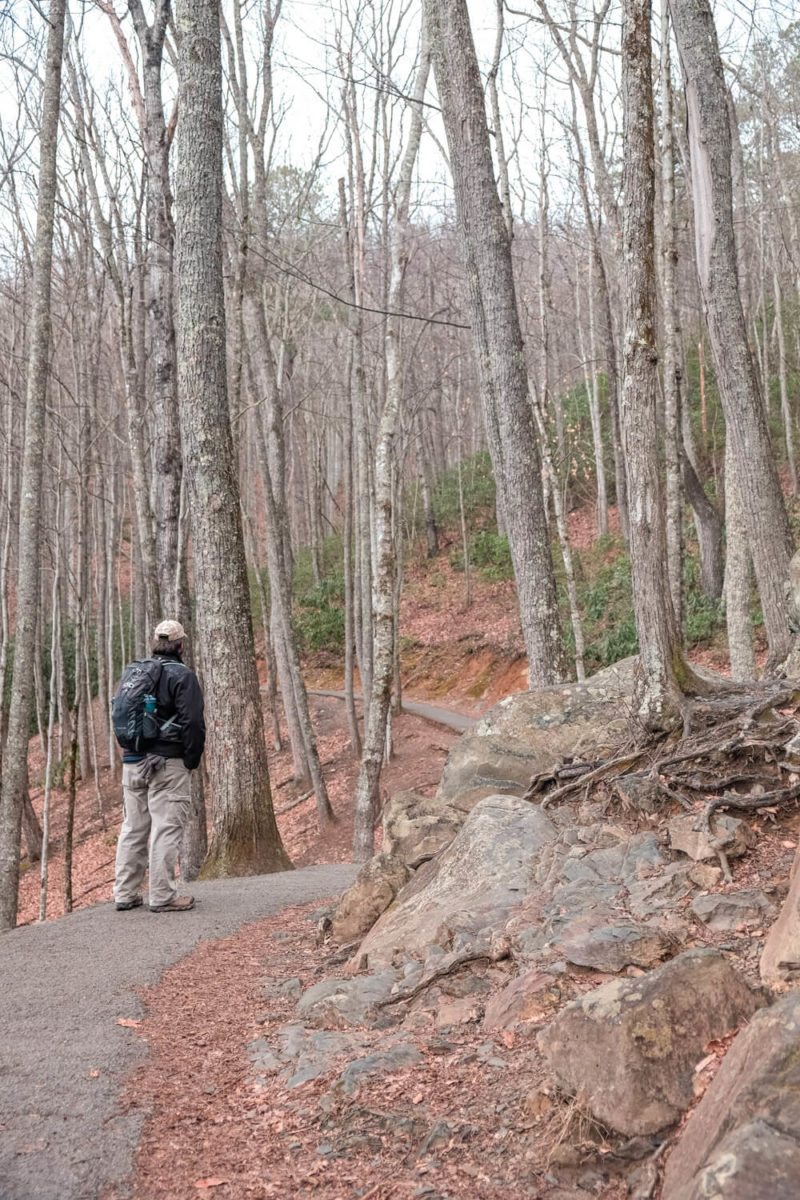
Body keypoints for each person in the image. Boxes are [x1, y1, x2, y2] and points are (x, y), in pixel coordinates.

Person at [113, 619, 205, 913]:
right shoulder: (183, 676)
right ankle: (163, 895)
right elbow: (192, 722)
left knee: (133, 828)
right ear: (180, 645)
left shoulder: (135, 673)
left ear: (155, 643)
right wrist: (191, 758)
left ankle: (125, 893)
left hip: (132, 761)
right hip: (167, 763)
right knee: (166, 828)